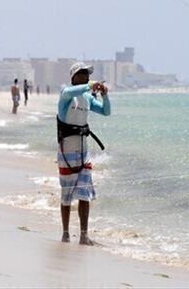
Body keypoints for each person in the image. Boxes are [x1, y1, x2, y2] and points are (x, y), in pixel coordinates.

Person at [57, 62, 110, 245]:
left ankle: (84, 235)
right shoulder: (66, 94)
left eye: (88, 74)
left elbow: (106, 111)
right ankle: (65, 233)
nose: (87, 75)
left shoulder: (88, 97)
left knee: (84, 194)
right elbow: (72, 92)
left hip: (83, 152)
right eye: (83, 73)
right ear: (74, 77)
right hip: (66, 153)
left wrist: (105, 95)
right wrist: (90, 85)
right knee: (66, 196)